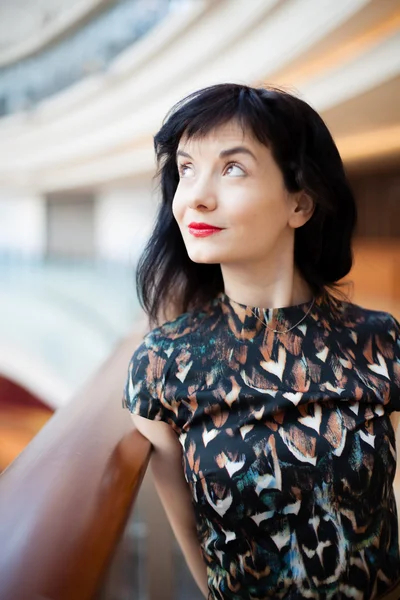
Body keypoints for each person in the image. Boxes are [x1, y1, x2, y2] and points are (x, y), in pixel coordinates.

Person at [122, 83, 400, 600]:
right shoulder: (163, 365)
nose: (196, 195)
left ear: (300, 203)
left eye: (232, 168)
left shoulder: (379, 341)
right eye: (186, 169)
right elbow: (197, 550)